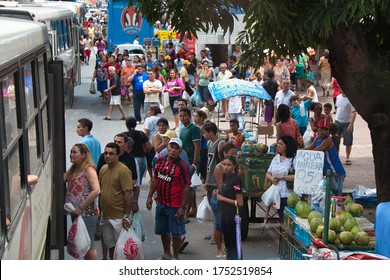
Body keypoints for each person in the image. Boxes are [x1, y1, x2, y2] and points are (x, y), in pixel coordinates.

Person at [146, 138, 191, 260]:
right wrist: (149, 196)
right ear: (167, 148)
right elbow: (155, 179)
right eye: (172, 147)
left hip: (175, 205)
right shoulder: (160, 160)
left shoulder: (182, 167)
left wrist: (183, 207)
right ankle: (166, 254)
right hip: (160, 202)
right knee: (163, 231)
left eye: (176, 148)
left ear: (180, 151)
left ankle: (175, 258)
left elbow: (187, 187)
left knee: (176, 233)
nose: (173, 150)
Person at [64, 144, 100, 260]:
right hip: (75, 213)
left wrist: (80, 207)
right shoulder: (74, 168)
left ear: (84, 155)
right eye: (71, 152)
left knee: (89, 245)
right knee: (81, 244)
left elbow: (96, 190)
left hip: (87, 213)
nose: (71, 155)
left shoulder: (88, 169)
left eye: (75, 152)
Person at [99, 142, 133, 260]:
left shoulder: (124, 171)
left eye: (111, 154)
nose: (107, 156)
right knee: (111, 246)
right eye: (106, 153)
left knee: (121, 249)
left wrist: (126, 216)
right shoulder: (103, 169)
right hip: (105, 216)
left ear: (118, 155)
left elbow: (127, 194)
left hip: (118, 217)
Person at [305, 119, 346, 195]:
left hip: (336, 172)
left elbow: (317, 150)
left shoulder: (327, 140)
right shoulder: (317, 139)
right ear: (318, 128)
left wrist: (304, 153)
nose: (323, 131)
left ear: (328, 131)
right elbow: (309, 148)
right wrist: (299, 151)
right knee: (327, 196)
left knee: (335, 197)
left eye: (326, 129)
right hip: (328, 173)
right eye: (321, 128)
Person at [214, 156, 244, 260]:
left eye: (229, 165)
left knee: (234, 245)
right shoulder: (226, 176)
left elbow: (240, 203)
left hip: (232, 217)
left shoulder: (236, 180)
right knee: (228, 244)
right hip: (224, 215)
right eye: (224, 164)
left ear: (234, 166)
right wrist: (218, 192)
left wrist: (223, 198)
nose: (226, 167)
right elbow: (227, 191)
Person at [203, 122, 225, 258]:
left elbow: (223, 164)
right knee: (213, 209)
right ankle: (214, 233)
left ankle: (217, 236)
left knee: (218, 210)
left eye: (205, 133)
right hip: (209, 181)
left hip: (216, 183)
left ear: (211, 132)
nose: (204, 135)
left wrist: (219, 184)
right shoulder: (210, 144)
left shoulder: (219, 144)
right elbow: (209, 163)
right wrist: (206, 180)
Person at [265, 135, 298, 221]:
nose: (278, 146)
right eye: (278, 144)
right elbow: (268, 173)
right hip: (277, 193)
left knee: (288, 219)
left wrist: (283, 177)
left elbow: (298, 177)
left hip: (288, 195)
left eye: (281, 144)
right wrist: (272, 179)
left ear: (287, 146)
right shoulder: (276, 158)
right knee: (281, 218)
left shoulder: (294, 159)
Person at [179, 107, 201, 219]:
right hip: (183, 161)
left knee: (188, 186)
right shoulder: (182, 129)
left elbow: (197, 147)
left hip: (191, 161)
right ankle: (193, 208)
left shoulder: (194, 129)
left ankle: (187, 212)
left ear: (189, 116)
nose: (183, 118)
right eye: (181, 116)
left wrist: (194, 163)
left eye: (185, 115)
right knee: (188, 186)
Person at [123, 117, 151, 187]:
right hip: (141, 159)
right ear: (135, 124)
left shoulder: (123, 135)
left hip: (129, 159)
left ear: (126, 125)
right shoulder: (141, 134)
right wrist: (143, 151)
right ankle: (136, 197)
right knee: (138, 183)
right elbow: (148, 147)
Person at [334, 90, 357, 165]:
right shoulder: (338, 97)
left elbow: (354, 113)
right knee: (336, 140)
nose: (341, 90)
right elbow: (337, 108)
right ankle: (336, 157)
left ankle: (347, 157)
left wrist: (351, 124)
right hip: (337, 121)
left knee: (348, 141)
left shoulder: (351, 100)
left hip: (347, 122)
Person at [262, 69, 279, 137]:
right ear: (273, 75)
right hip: (275, 101)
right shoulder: (276, 82)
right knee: (276, 118)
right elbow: (278, 91)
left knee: (268, 119)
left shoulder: (264, 83)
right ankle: (278, 133)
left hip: (268, 102)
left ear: (267, 75)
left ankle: (269, 133)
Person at [193, 110, 208, 182]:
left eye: (196, 117)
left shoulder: (203, 127)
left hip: (203, 148)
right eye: (194, 117)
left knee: (202, 164)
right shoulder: (195, 126)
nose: (195, 118)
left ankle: (203, 178)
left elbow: (199, 137)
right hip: (199, 148)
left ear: (201, 118)